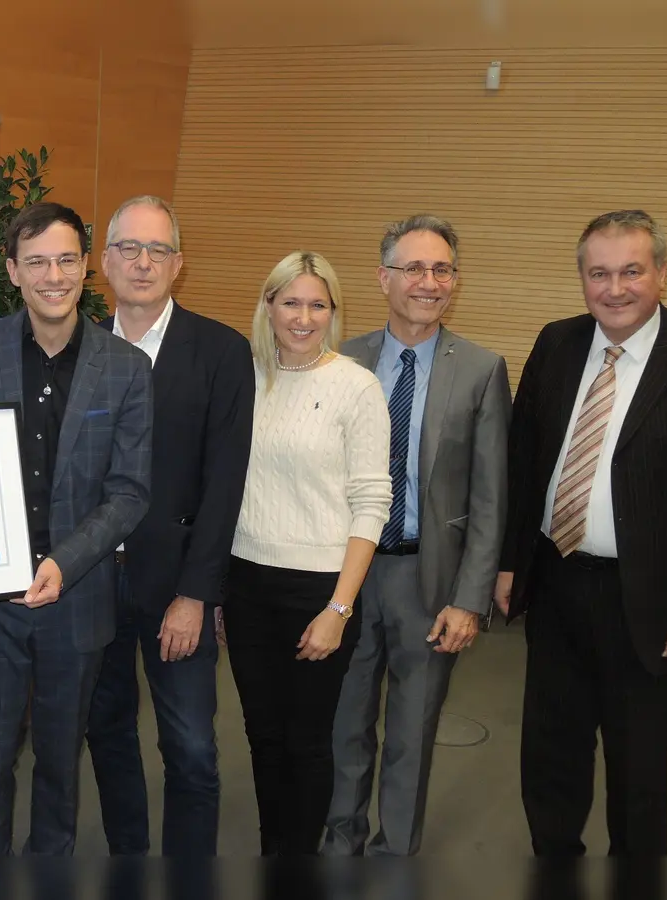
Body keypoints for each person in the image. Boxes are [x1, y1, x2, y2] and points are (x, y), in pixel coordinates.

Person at [496, 209, 667, 856]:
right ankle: (554, 861)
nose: (615, 289)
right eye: (599, 273)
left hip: (648, 601)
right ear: (582, 278)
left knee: (639, 767)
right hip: (557, 584)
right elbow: (523, 466)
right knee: (550, 752)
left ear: (661, 275)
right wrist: (509, 564)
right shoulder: (556, 343)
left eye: (631, 272)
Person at [0, 201, 153, 857]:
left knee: (61, 772)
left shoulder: (125, 366)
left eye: (66, 259)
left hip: (77, 597)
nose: (53, 275)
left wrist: (64, 563)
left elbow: (129, 492)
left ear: (86, 267)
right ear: (13, 270)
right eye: (36, 261)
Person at [323, 215, 511, 856]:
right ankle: (339, 843)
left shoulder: (482, 369)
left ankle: (393, 856)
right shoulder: (340, 360)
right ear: (383, 278)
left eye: (442, 270)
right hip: (347, 574)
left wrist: (470, 598)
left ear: (454, 282)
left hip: (427, 581)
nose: (428, 283)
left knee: (412, 731)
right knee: (345, 723)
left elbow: (491, 498)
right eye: (413, 268)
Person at [83, 195, 252, 858]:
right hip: (93, 582)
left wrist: (197, 593)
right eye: (129, 248)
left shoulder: (220, 351)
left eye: (157, 250)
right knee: (108, 730)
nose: (142, 262)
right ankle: (128, 858)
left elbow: (224, 483)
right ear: (105, 262)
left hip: (177, 585)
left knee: (190, 745)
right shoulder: (79, 347)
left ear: (178, 264)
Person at [225, 250, 391, 856]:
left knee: (307, 740)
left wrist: (339, 609)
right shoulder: (241, 378)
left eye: (317, 304)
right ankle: (278, 856)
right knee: (263, 737)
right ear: (267, 307)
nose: (303, 316)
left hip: (320, 590)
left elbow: (372, 501)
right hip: (245, 585)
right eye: (290, 302)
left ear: (333, 312)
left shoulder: (355, 386)